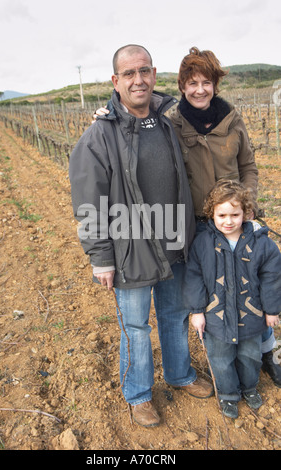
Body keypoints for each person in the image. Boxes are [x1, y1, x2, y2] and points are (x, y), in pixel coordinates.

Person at [69, 44, 213, 428]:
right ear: (115, 82)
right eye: (129, 74)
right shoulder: (99, 135)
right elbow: (88, 201)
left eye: (144, 71)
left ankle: (180, 375)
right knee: (135, 327)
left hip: (174, 243)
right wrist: (100, 256)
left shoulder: (167, 123)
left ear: (154, 75)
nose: (138, 80)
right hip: (129, 248)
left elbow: (209, 107)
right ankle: (138, 394)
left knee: (174, 315)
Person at [169, 46, 281, 387]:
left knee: (253, 289)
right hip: (201, 227)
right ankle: (224, 361)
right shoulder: (173, 123)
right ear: (182, 86)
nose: (199, 89)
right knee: (216, 291)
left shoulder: (232, 119)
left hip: (237, 220)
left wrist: (247, 205)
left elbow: (248, 166)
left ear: (216, 84)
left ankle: (267, 352)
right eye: (192, 83)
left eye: (206, 81)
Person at [183, 179, 281, 418]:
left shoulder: (262, 244)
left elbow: (271, 279)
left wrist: (271, 310)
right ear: (211, 214)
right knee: (220, 359)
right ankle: (228, 394)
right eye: (222, 215)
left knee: (250, 357)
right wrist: (197, 311)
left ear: (246, 213)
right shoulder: (203, 243)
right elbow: (194, 277)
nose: (228, 221)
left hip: (252, 316)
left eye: (235, 214)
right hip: (216, 319)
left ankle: (249, 388)